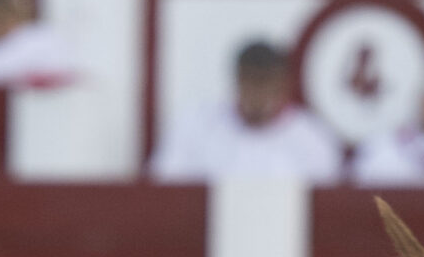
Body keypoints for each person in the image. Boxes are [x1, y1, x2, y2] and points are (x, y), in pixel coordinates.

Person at [147, 39, 345, 185]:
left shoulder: (314, 138)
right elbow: (165, 189)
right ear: (237, 80)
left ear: (284, 84)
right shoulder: (195, 126)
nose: (257, 92)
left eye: (265, 81)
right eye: (249, 80)